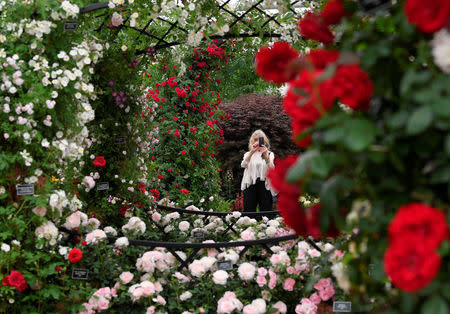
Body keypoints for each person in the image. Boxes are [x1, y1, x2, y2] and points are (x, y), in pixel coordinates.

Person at [240, 130, 276, 213]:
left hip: (264, 184)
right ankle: (248, 225)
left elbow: (271, 168)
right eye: (255, 140)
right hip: (250, 183)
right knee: (249, 209)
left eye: (259, 140)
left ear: (264, 141)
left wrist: (265, 155)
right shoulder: (248, 154)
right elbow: (243, 165)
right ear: (252, 141)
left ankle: (266, 225)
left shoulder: (270, 154)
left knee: (266, 209)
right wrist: (252, 152)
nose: (257, 142)